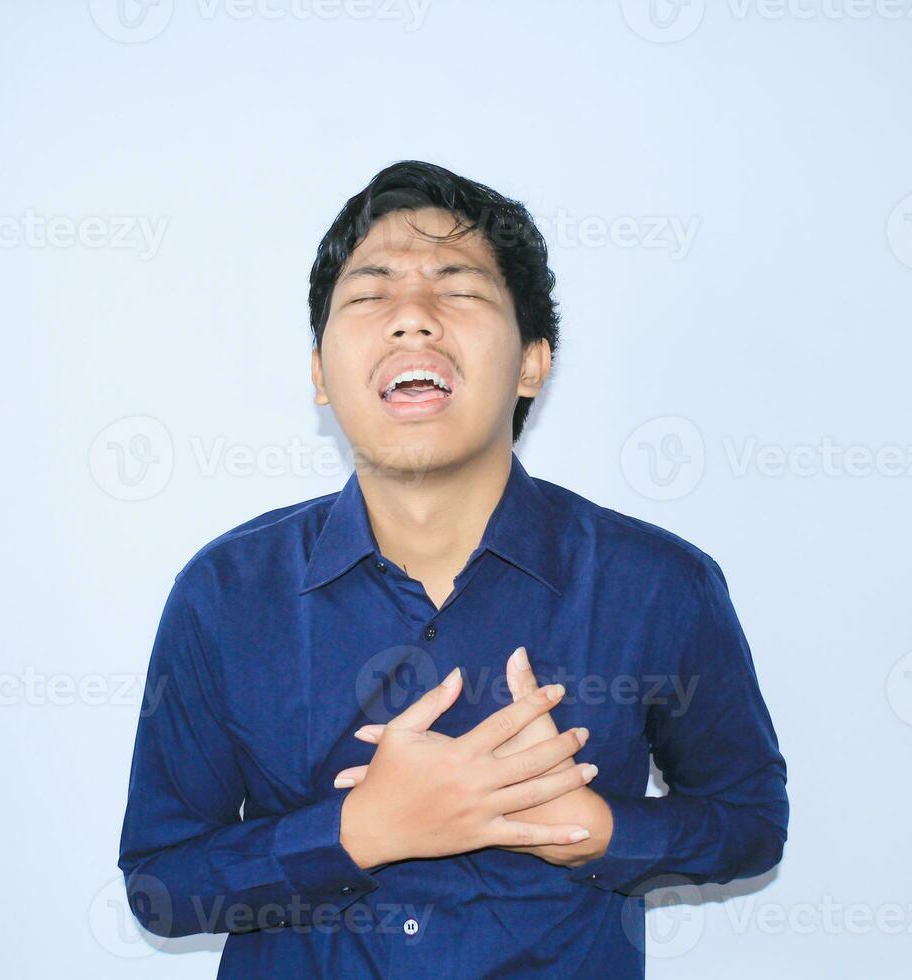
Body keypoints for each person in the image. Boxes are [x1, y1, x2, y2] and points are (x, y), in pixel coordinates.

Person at [117, 160, 788, 978]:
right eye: (370, 295)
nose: (413, 319)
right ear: (322, 373)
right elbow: (160, 883)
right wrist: (363, 830)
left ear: (533, 363)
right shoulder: (225, 594)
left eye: (459, 288)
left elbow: (751, 820)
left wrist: (596, 830)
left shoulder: (657, 586)